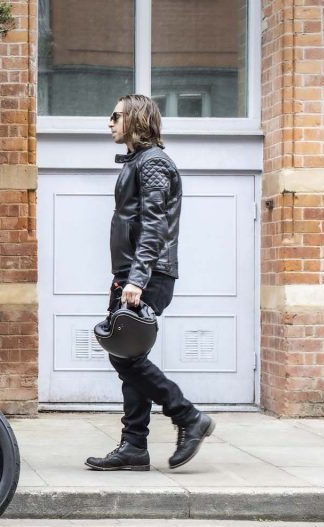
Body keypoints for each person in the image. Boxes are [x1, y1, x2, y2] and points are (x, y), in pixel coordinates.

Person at [85, 94, 215, 472]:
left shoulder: (154, 162)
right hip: (132, 275)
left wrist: (137, 279)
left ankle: (187, 416)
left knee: (124, 355)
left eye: (115, 116)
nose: (109, 122)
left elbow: (155, 224)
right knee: (128, 355)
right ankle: (134, 446)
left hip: (147, 276)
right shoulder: (140, 162)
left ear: (136, 120)